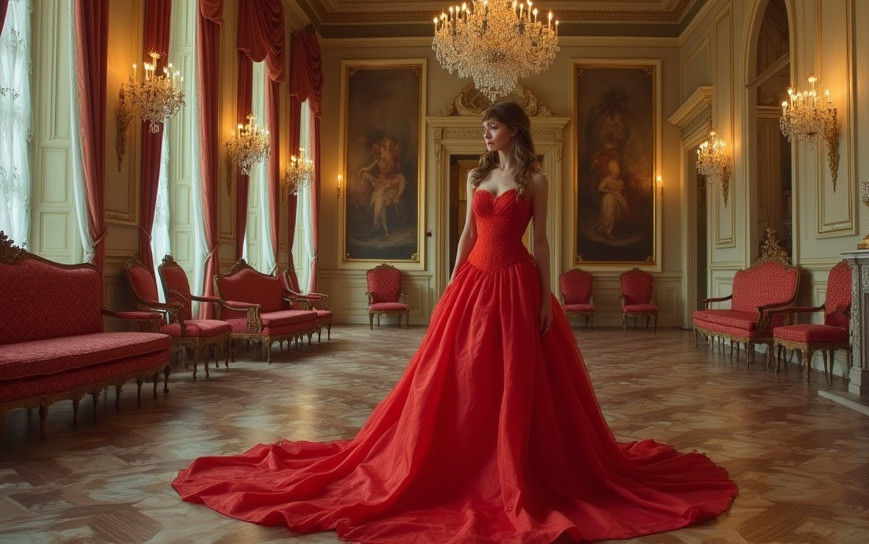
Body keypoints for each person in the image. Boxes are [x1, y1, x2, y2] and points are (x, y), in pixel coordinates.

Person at [172, 101, 737, 543]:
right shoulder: (476, 178)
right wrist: (448, 282)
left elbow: (542, 242)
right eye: (484, 128)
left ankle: (515, 462)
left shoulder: (535, 180)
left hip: (516, 282)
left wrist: (545, 301)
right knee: (458, 376)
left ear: (513, 129)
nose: (485, 134)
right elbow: (467, 236)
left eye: (492, 127)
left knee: (518, 377)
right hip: (471, 281)